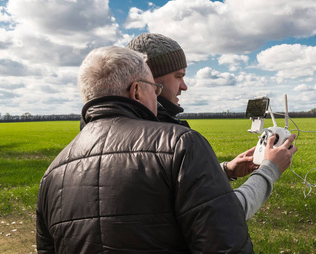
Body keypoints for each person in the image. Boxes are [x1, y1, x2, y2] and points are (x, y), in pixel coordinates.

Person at [36, 46, 297, 253]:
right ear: (137, 91)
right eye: (155, 88)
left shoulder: (53, 172)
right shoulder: (180, 143)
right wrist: (270, 169)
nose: (180, 88)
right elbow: (224, 239)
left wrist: (222, 171)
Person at [126, 33, 256, 180]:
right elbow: (214, 202)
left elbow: (178, 187)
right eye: (178, 77)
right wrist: (269, 171)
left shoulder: (113, 127)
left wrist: (226, 171)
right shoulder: (173, 139)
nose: (184, 87)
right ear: (150, 78)